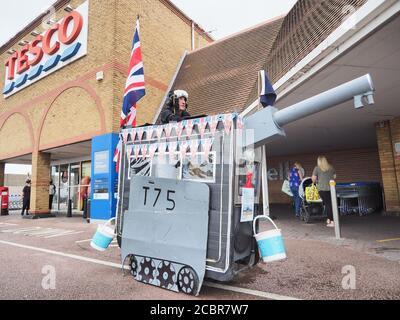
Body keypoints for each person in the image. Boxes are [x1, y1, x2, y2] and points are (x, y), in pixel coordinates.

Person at [312, 156, 336, 227]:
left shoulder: (317, 168)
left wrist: (317, 181)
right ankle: (329, 219)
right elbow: (335, 176)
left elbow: (313, 179)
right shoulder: (331, 167)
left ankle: (331, 221)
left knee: (328, 204)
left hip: (322, 189)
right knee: (330, 204)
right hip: (331, 188)